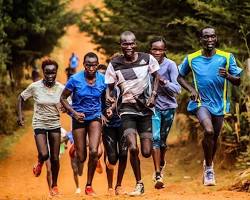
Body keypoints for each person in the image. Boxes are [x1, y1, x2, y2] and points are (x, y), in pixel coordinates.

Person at [177, 27, 242, 186]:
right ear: (201, 39)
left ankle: (208, 165)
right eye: (206, 37)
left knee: (214, 137)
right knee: (209, 130)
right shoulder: (192, 58)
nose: (210, 40)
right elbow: (179, 77)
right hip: (201, 103)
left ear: (216, 38)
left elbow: (238, 81)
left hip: (220, 104)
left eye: (212, 37)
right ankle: (209, 170)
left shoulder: (226, 57)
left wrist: (227, 75)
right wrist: (191, 89)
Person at [105, 31, 160, 196]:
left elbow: (157, 76)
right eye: (125, 44)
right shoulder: (114, 64)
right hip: (126, 110)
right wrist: (109, 97)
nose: (128, 47)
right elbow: (109, 88)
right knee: (133, 148)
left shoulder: (147, 58)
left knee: (146, 151)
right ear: (120, 45)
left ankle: (146, 177)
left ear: (135, 44)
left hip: (145, 110)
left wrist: (153, 95)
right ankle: (139, 183)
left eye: (131, 44)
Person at [60, 52, 106, 196]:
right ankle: (75, 148)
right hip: (78, 119)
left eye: (94, 65)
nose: (91, 68)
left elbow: (105, 98)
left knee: (94, 151)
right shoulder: (75, 79)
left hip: (95, 117)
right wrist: (73, 113)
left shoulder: (103, 80)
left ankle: (88, 185)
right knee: (82, 157)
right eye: (88, 65)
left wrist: (104, 112)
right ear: (84, 65)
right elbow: (62, 98)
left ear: (97, 66)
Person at [17, 59, 64, 197]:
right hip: (39, 124)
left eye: (53, 73)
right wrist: (20, 116)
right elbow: (21, 98)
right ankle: (40, 161)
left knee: (55, 158)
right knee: (44, 154)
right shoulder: (35, 87)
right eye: (47, 73)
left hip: (55, 124)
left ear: (56, 73)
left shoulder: (61, 88)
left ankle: (54, 186)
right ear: (43, 72)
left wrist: (72, 112)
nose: (50, 76)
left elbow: (69, 104)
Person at [149, 36, 181, 189]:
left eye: (160, 49)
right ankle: (157, 174)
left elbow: (177, 89)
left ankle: (161, 162)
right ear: (150, 50)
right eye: (154, 49)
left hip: (168, 107)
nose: (157, 52)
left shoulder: (171, 65)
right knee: (154, 138)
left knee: (162, 141)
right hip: (153, 107)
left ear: (164, 51)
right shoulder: (146, 64)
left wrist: (164, 81)